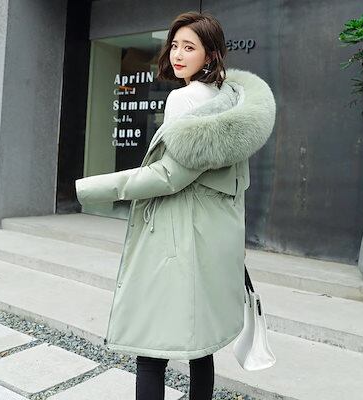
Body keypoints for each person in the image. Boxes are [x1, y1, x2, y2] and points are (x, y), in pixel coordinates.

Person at [75, 11, 276, 400]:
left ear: (211, 54)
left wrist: (90, 188)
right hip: (214, 239)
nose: (178, 54)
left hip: (176, 238)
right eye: (175, 45)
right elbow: (236, 185)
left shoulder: (183, 99)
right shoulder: (231, 102)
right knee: (201, 346)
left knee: (151, 352)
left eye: (189, 47)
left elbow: (168, 176)